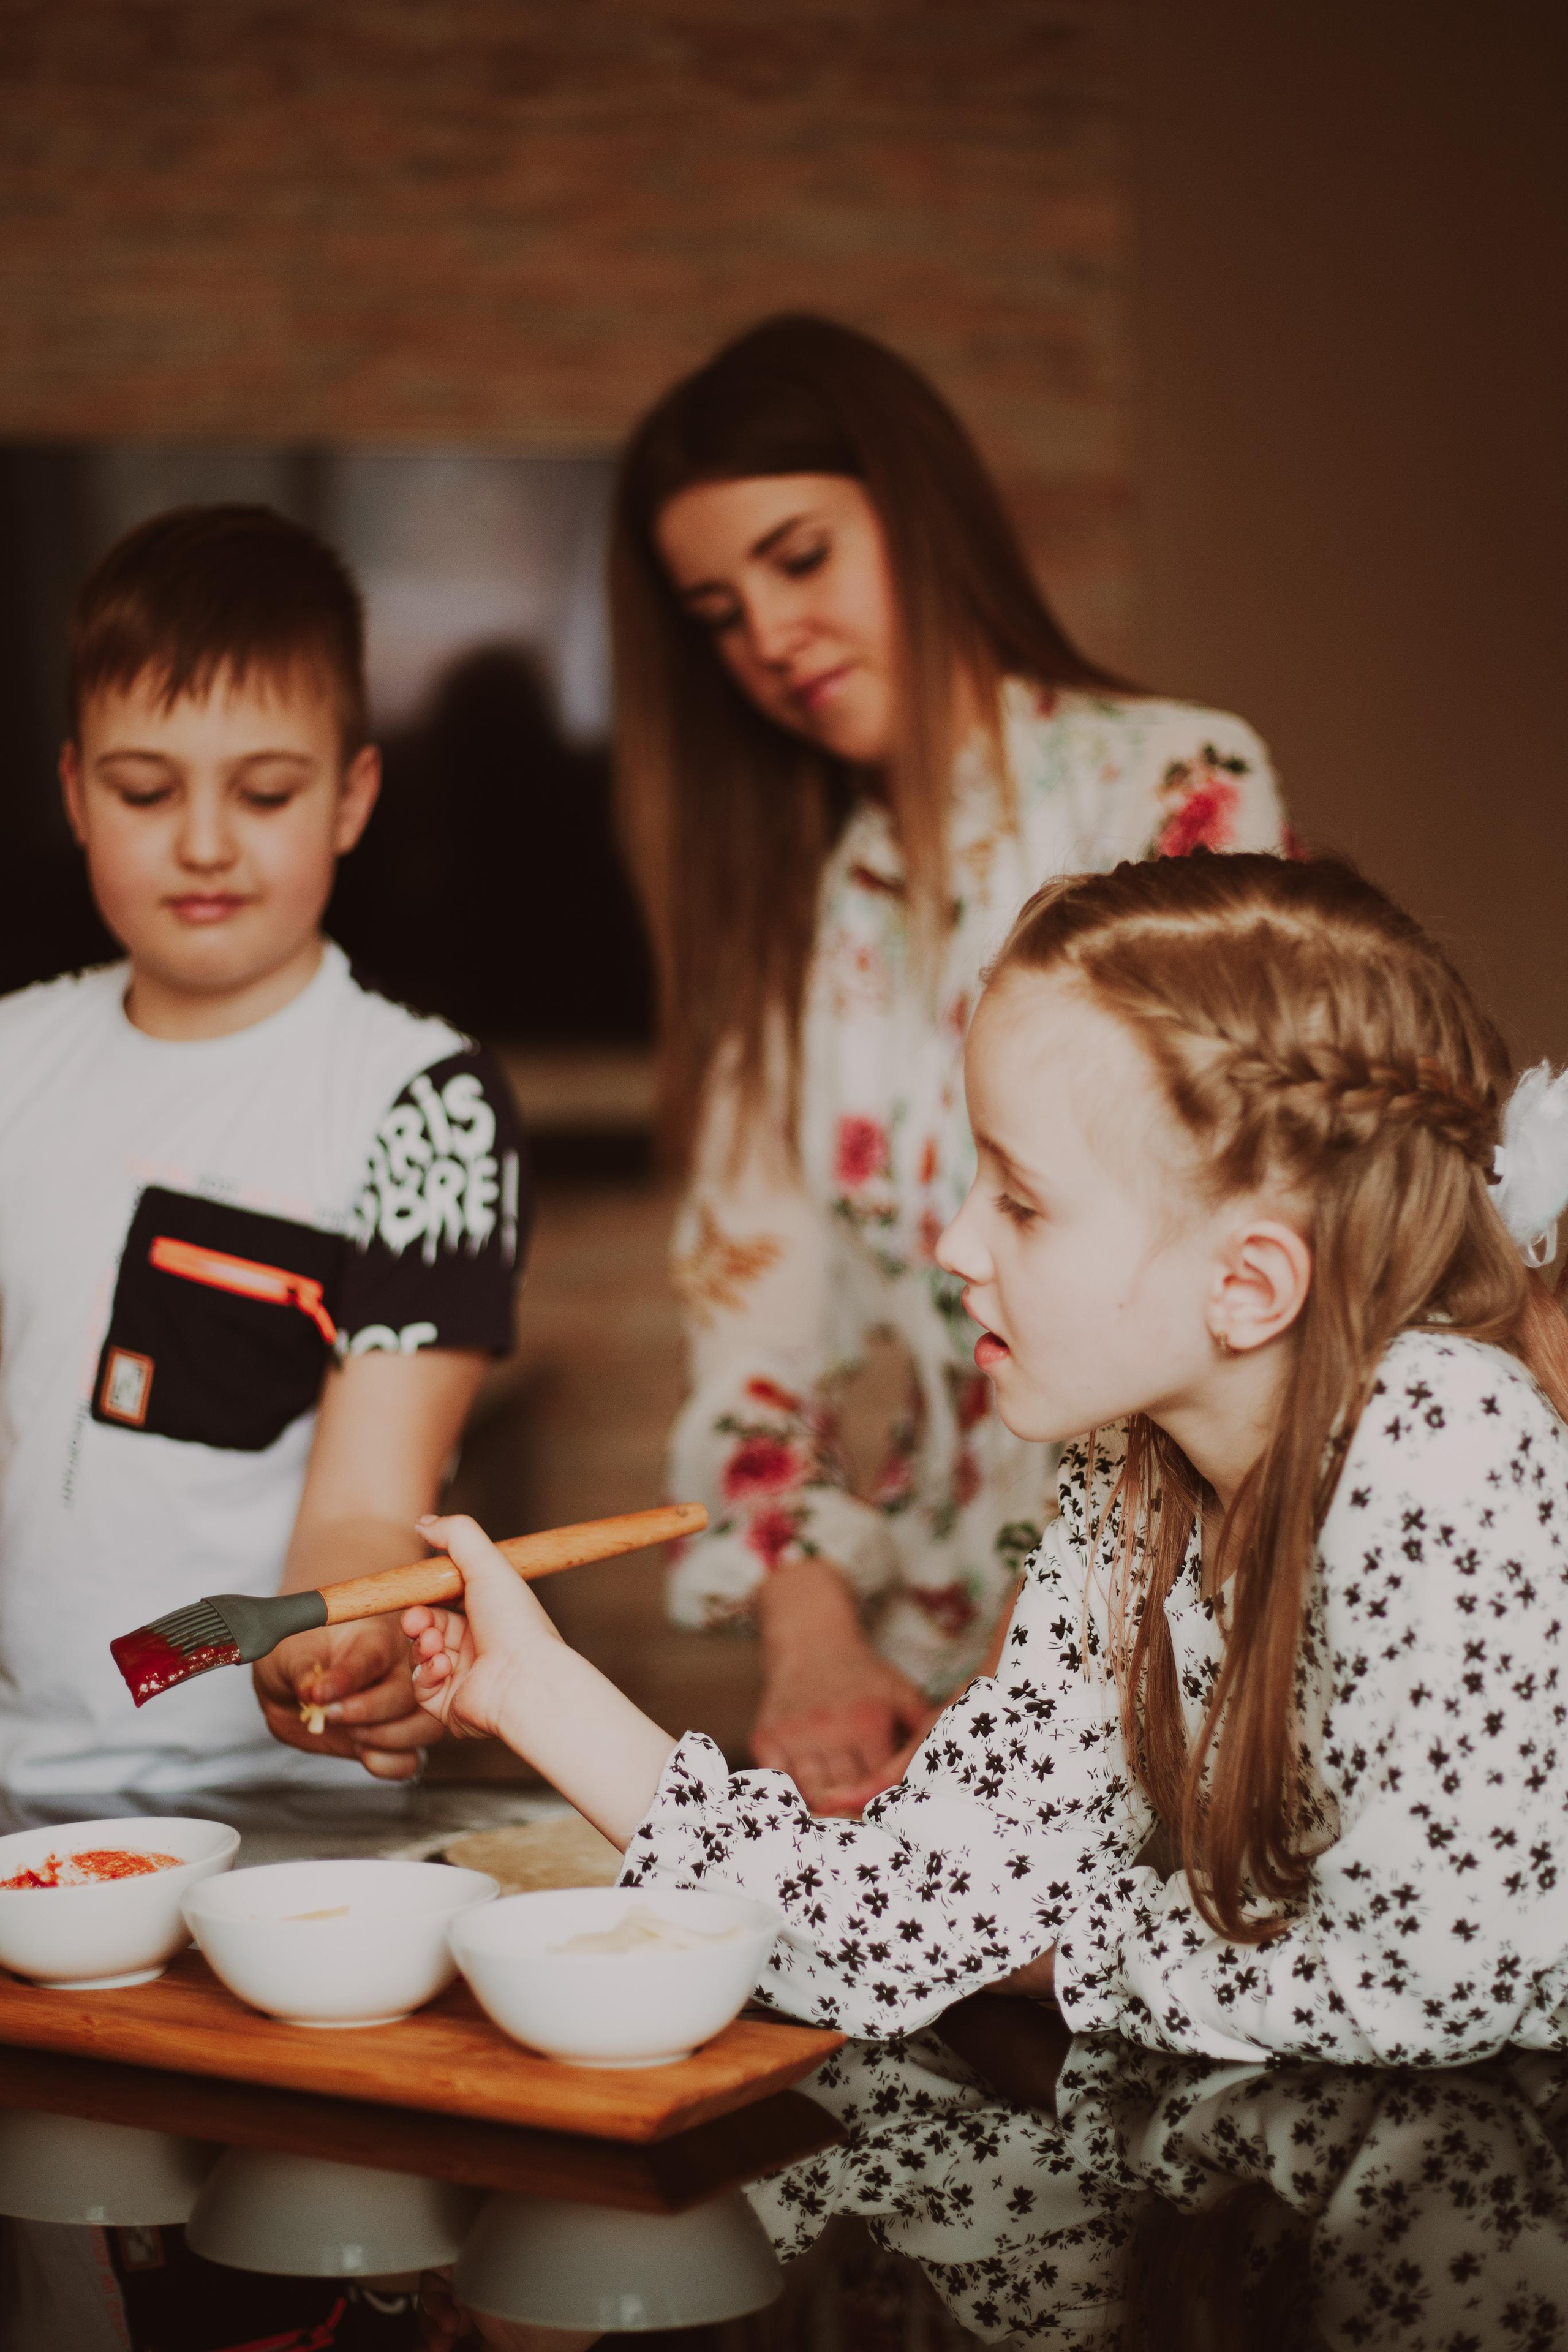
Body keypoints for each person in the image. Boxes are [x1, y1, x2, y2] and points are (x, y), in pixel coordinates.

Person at [401, 854, 1568, 2066]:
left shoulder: (1443, 1452)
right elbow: (924, 1906)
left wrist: (1076, 1953)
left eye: (1018, 1201)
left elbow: (1429, 1986)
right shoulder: (1134, 1472)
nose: (954, 1244)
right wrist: (530, 1691)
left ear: (1246, 1284)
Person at [609, 313, 1287, 1812]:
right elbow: (753, 1324)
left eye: (797, 559)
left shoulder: (1176, 786)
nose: (767, 636)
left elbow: (1231, 1275)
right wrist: (809, 1642)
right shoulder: (774, 913)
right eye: (716, 610)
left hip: (1177, 1644)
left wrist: (1038, 1686)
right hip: (900, 1683)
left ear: (914, 514)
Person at [0, 505, 529, 1794]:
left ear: (351, 796)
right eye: (145, 789)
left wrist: (330, 1644)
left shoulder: (426, 1104)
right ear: (75, 792)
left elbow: (364, 1504)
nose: (202, 842)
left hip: (279, 1806)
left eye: (265, 791)